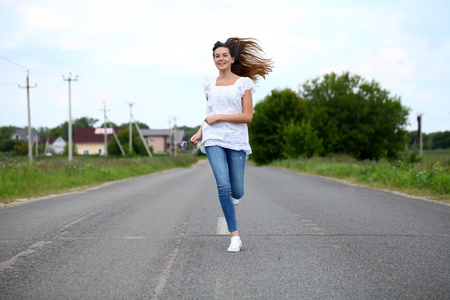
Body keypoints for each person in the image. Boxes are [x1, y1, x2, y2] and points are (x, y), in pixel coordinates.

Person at [190, 37, 273, 252]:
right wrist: (200, 132)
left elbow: (247, 117)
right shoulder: (210, 84)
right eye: (217, 56)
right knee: (223, 186)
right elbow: (210, 114)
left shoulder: (243, 83)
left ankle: (234, 198)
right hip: (213, 139)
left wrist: (219, 117)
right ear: (214, 60)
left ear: (232, 58)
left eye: (224, 55)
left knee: (237, 190)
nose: (221, 59)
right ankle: (234, 235)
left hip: (236, 140)